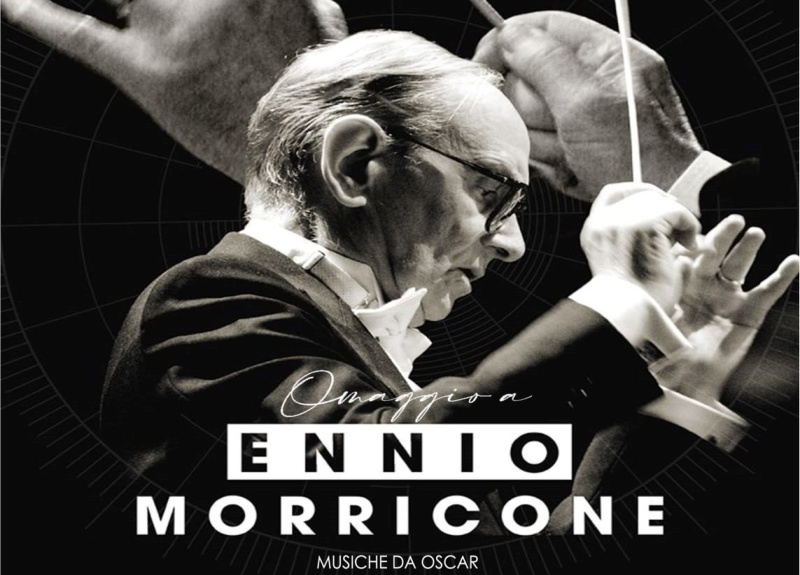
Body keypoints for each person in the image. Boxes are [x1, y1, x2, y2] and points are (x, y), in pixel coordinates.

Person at [97, 29, 797, 535]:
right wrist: (616, 301)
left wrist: (680, 387)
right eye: (493, 193)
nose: (514, 245)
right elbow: (396, 467)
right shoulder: (205, 299)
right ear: (356, 164)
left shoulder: (346, 367)